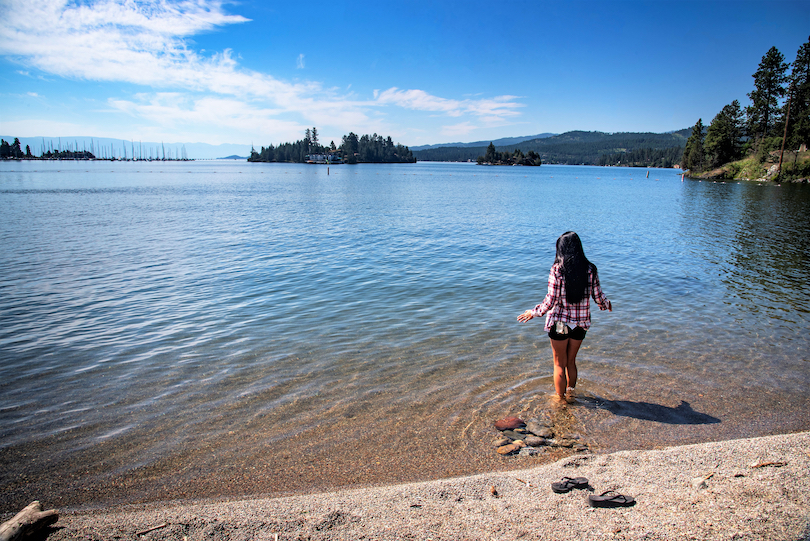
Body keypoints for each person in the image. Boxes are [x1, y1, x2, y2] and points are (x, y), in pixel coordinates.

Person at [517, 231, 612, 402]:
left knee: (559, 364)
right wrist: (605, 303)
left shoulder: (557, 270)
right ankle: (571, 394)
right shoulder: (590, 269)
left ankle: (559, 400)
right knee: (571, 362)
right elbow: (598, 296)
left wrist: (534, 312)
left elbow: (550, 300)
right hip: (580, 325)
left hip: (560, 323)